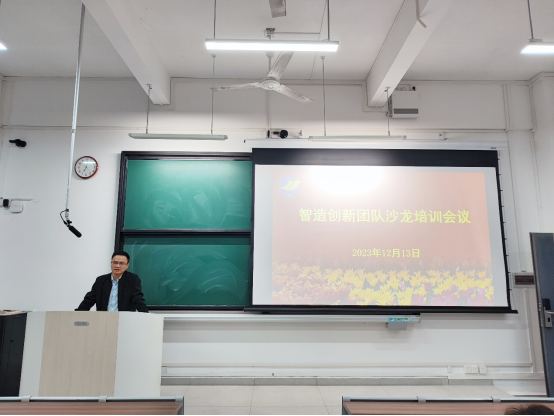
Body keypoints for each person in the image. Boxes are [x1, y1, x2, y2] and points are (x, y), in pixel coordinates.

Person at [76, 251, 148, 312]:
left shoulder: (132, 279)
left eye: (121, 263)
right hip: (104, 319)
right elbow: (89, 300)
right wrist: (77, 314)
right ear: (111, 263)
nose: (117, 266)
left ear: (127, 266)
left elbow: (137, 299)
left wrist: (146, 315)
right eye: (115, 262)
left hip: (125, 319)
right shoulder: (101, 280)